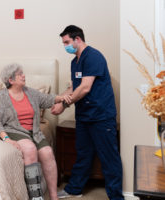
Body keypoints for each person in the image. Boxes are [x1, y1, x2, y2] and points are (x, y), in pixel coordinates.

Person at [51, 25, 123, 200]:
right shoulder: (74, 61)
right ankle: (74, 189)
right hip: (84, 116)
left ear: (78, 39)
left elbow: (84, 88)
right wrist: (59, 99)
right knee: (83, 154)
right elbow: (73, 87)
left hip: (101, 116)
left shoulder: (93, 57)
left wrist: (64, 104)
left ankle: (116, 196)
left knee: (109, 158)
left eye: (67, 42)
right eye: (63, 43)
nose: (65, 46)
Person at [0, 63, 63, 200]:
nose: (23, 75)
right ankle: (36, 197)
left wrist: (64, 98)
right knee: (30, 149)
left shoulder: (30, 92)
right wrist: (6, 139)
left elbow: (48, 99)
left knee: (47, 152)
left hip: (34, 132)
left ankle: (54, 196)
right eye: (19, 74)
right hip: (14, 130)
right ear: (11, 80)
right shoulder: (2, 96)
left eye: (22, 73)